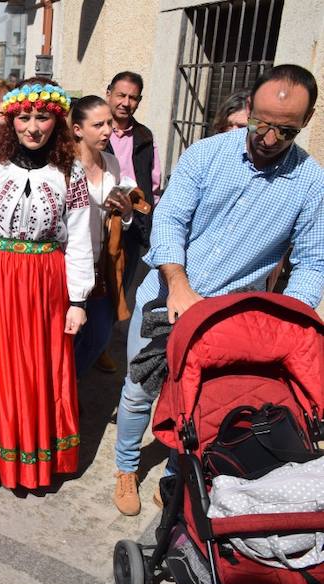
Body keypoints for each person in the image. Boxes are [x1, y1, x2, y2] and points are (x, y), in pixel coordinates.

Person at [111, 64, 324, 517]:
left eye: (283, 131)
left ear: (304, 124)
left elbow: (312, 262)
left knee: (198, 402)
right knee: (139, 390)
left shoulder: (311, 182)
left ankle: (174, 477)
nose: (267, 138)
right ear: (248, 108)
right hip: (167, 296)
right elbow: (170, 222)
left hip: (230, 319)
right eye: (260, 123)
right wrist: (179, 286)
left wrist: (281, 321)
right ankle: (126, 466)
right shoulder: (205, 155)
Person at [0, 78, 93, 490]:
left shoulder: (71, 170)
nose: (32, 126)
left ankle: (30, 460)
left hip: (44, 284)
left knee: (35, 372)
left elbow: (80, 238)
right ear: (10, 119)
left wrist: (78, 299)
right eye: (24, 117)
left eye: (42, 117)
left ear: (56, 120)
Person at [70, 95, 149, 378]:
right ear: (78, 129)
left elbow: (119, 220)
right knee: (65, 337)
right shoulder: (63, 166)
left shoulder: (113, 165)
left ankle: (69, 384)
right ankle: (60, 397)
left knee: (99, 335)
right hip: (67, 266)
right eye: (98, 125)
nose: (107, 131)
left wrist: (126, 212)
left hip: (102, 265)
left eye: (109, 124)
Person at [105, 71, 161, 291]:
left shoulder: (144, 136)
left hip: (133, 222)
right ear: (109, 94)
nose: (126, 103)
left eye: (133, 98)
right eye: (121, 95)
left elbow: (153, 184)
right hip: (99, 219)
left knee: (125, 287)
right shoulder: (97, 130)